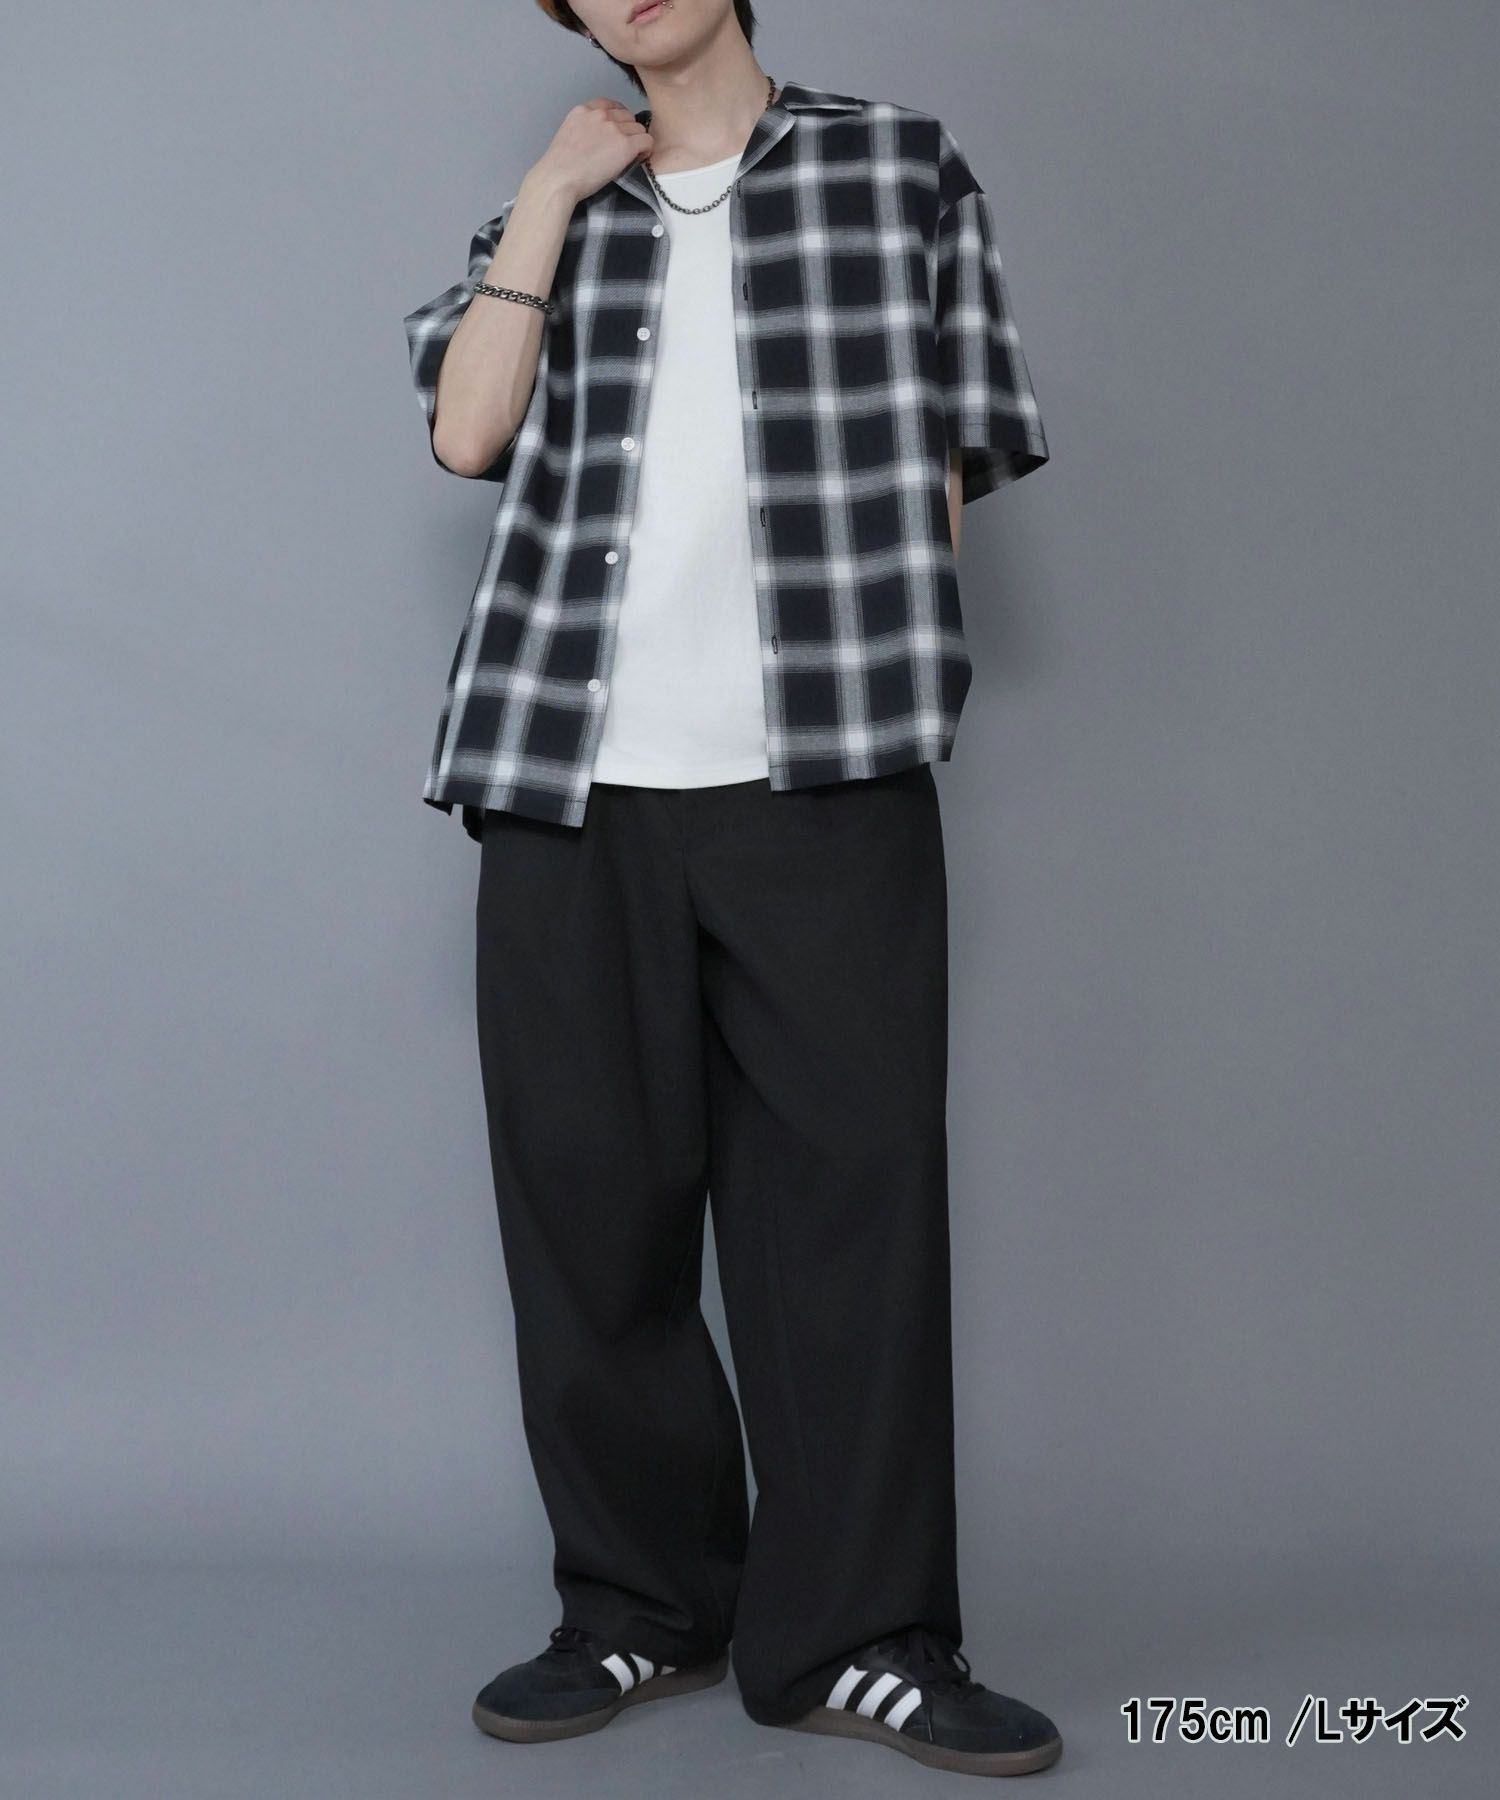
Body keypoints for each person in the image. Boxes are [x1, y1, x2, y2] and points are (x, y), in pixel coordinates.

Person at [401, 0, 1058, 1777]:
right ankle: (640, 1607)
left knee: (850, 1218)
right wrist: (551, 198)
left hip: (821, 780)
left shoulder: (897, 166)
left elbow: (958, 444)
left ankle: (865, 1637)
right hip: (568, 777)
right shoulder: (548, 208)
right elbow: (467, 436)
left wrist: (898, 683)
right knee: (591, 1219)